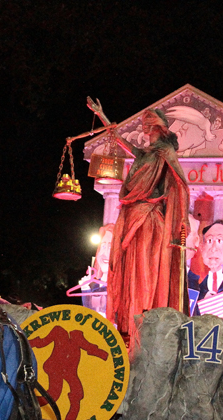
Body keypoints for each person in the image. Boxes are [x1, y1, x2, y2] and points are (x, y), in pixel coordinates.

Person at [88, 106, 190, 344]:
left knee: (147, 269)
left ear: (160, 127)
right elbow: (125, 144)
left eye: (150, 122)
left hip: (150, 218)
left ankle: (148, 320)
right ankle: (129, 321)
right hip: (132, 214)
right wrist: (103, 117)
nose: (145, 127)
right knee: (130, 269)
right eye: (144, 122)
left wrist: (182, 219)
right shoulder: (144, 153)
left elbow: (180, 184)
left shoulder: (165, 151)